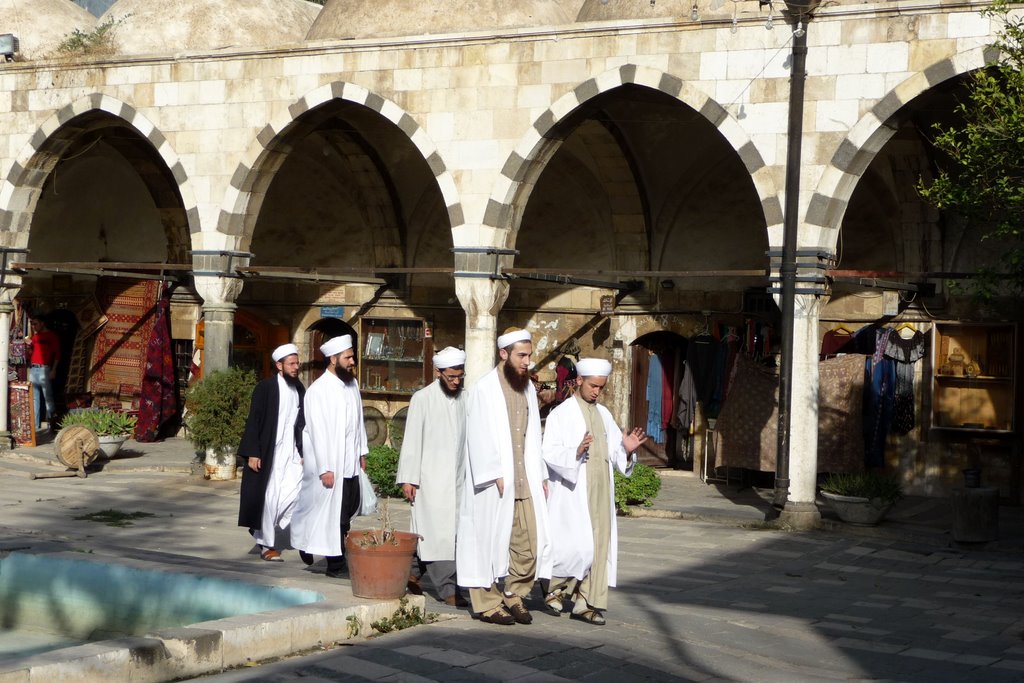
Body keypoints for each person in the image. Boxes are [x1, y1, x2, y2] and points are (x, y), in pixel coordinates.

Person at [541, 357, 647, 625]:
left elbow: (615, 451)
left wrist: (627, 449)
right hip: (572, 489)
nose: (597, 391)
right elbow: (549, 452)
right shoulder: (560, 414)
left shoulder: (604, 414)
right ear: (579, 381)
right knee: (574, 546)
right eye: (593, 386)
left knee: (599, 546)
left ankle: (586, 602)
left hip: (601, 490)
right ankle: (554, 587)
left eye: (601, 387)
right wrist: (574, 452)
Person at [456, 328, 551, 626]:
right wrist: (492, 472)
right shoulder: (484, 389)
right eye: (522, 356)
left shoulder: (526, 389)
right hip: (495, 482)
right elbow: (476, 436)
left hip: (525, 479)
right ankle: (487, 603)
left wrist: (543, 474)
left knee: (529, 546)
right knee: (486, 542)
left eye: (529, 356)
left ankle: (513, 594)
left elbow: (534, 434)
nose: (527, 362)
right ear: (503, 354)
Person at [396, 346, 469, 607]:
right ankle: (448, 588)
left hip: (458, 480)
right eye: (451, 376)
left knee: (443, 534)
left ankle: (412, 573)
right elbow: (412, 440)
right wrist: (409, 478)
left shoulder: (466, 398)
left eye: (460, 376)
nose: (456, 381)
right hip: (429, 480)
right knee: (437, 534)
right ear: (439, 372)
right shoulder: (422, 399)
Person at [290, 335, 368, 578]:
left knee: (347, 511)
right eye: (348, 357)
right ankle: (335, 564)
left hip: (350, 464)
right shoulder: (318, 391)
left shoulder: (352, 385)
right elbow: (317, 432)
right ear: (333, 359)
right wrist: (325, 468)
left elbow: (358, 422)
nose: (353, 361)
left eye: (352, 356)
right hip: (330, 464)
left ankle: (315, 545)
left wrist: (362, 451)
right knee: (332, 514)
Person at [237, 343, 306, 562]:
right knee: (269, 498)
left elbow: (301, 424)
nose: (296, 368)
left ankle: (264, 533)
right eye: (291, 364)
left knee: (296, 492)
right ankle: (267, 544)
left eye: (297, 363)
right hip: (268, 453)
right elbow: (254, 422)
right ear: (279, 365)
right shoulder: (265, 388)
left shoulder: (299, 389)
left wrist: (303, 451)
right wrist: (253, 453)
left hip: (291, 453)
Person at [26, 315, 61, 431]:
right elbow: (32, 351)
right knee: (34, 398)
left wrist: (54, 369)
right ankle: (35, 426)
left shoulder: (52, 336)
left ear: (42, 323)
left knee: (48, 397)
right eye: (32, 324)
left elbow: (57, 354)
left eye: (35, 324)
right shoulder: (36, 336)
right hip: (33, 368)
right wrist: (28, 345)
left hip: (44, 369)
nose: (34, 326)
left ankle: (52, 425)